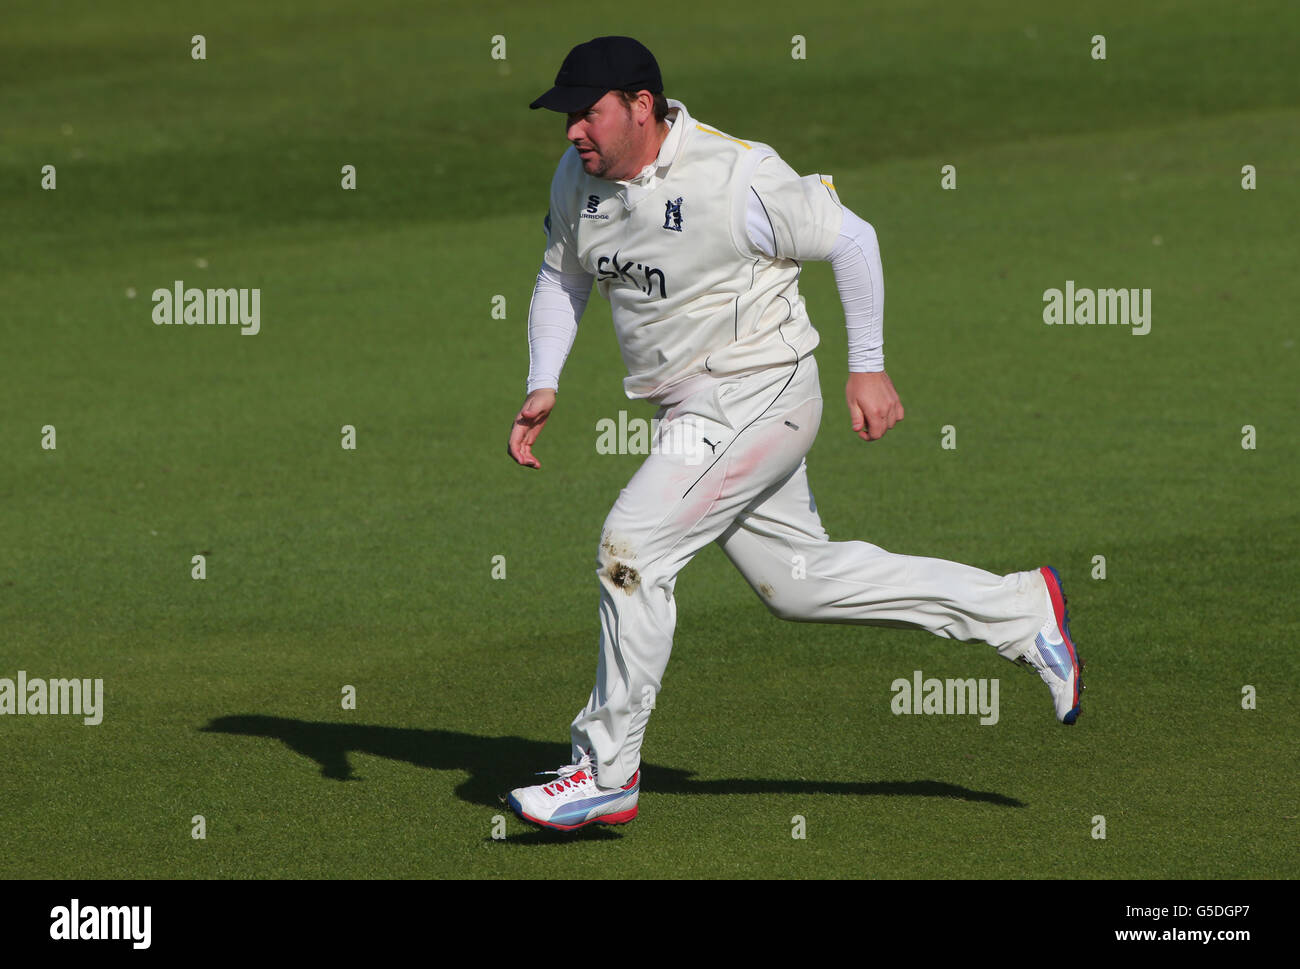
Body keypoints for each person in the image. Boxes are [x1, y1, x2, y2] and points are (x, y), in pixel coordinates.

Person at [504, 36, 1083, 831]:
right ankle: (1020, 609)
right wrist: (545, 379)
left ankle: (606, 770)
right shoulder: (581, 178)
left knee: (630, 549)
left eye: (587, 112)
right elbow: (561, 275)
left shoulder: (737, 176)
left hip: (759, 390)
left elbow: (853, 238)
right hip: (692, 408)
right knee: (800, 583)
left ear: (642, 106)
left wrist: (868, 366)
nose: (573, 130)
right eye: (567, 114)